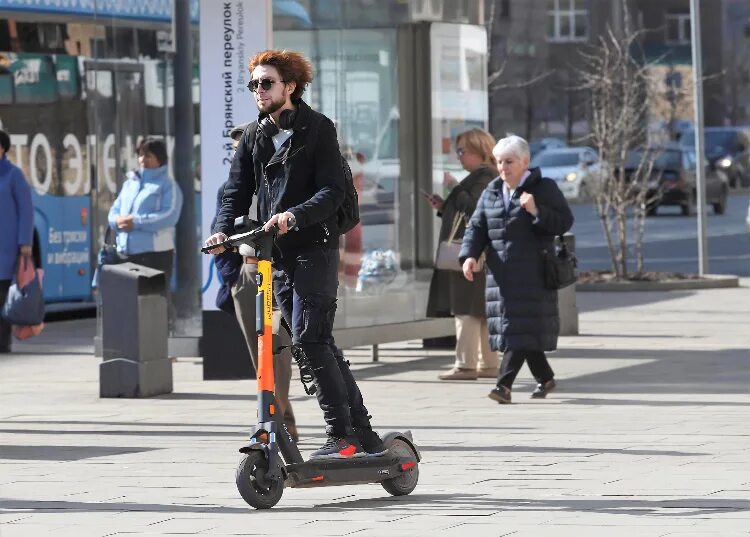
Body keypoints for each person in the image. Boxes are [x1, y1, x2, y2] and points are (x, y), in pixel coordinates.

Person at [204, 50, 386, 459]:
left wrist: (294, 216)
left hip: (315, 247)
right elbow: (235, 191)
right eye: (253, 84)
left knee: (309, 338)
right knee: (316, 342)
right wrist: (221, 228)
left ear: (290, 86)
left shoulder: (318, 129)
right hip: (277, 255)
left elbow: (332, 192)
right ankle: (364, 430)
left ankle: (342, 433)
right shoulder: (253, 136)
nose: (258, 91)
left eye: (266, 83)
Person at [460, 134, 574, 403]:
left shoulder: (543, 188)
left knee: (516, 331)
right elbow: (477, 227)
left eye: (509, 161)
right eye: (499, 162)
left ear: (525, 162)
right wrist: (469, 255)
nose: (503, 167)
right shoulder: (492, 191)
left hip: (533, 275)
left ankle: (503, 386)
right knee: (522, 331)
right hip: (500, 275)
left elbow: (564, 222)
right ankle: (545, 378)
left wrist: (536, 211)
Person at [212, 123, 299, 442]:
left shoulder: (283, 184)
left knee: (278, 352)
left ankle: (278, 421)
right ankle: (278, 419)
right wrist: (232, 276)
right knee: (257, 354)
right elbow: (217, 232)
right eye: (236, 151)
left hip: (278, 273)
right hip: (247, 275)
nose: (240, 156)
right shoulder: (229, 190)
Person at [425, 128, 499, 381]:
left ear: (479, 151)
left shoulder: (485, 176)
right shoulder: (485, 175)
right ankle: (488, 363)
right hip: (478, 252)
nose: (459, 157)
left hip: (471, 253)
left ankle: (465, 364)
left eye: (462, 151)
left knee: (466, 310)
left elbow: (474, 208)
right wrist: (444, 206)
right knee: (478, 310)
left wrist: (454, 188)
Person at [107, 138, 183, 281]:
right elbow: (114, 211)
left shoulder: (168, 185)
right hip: (125, 254)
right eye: (140, 155)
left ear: (160, 158)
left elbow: (170, 216)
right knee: (127, 301)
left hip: (155, 255)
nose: (142, 159)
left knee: (154, 301)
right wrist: (117, 221)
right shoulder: (130, 183)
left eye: (148, 156)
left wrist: (136, 222)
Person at [0, 129, 34, 353]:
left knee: (3, 297)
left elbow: (26, 210)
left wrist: (25, 243)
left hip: (6, 246)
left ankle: (3, 342)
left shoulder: (13, 175)